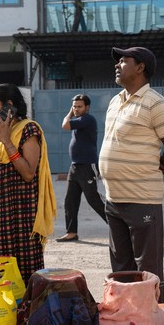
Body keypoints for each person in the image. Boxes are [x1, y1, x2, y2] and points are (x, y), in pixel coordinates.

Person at [99, 47, 164, 298]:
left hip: (142, 200)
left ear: (140, 67)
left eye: (123, 61)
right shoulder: (116, 101)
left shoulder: (155, 103)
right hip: (114, 200)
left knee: (148, 271)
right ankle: (127, 321)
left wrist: (161, 166)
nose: (117, 65)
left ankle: (154, 323)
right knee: (121, 269)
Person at [0, 83, 56, 283]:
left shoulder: (28, 129)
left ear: (8, 105)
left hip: (21, 214)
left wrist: (6, 140)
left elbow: (28, 173)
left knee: (22, 270)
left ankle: (24, 312)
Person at [57, 93, 106, 243]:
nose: (76, 109)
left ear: (87, 107)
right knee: (70, 200)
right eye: (74, 106)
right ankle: (71, 232)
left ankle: (119, 228)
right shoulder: (79, 120)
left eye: (79, 106)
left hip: (86, 166)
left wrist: (70, 113)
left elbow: (65, 125)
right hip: (75, 166)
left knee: (94, 200)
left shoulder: (88, 119)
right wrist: (73, 113)